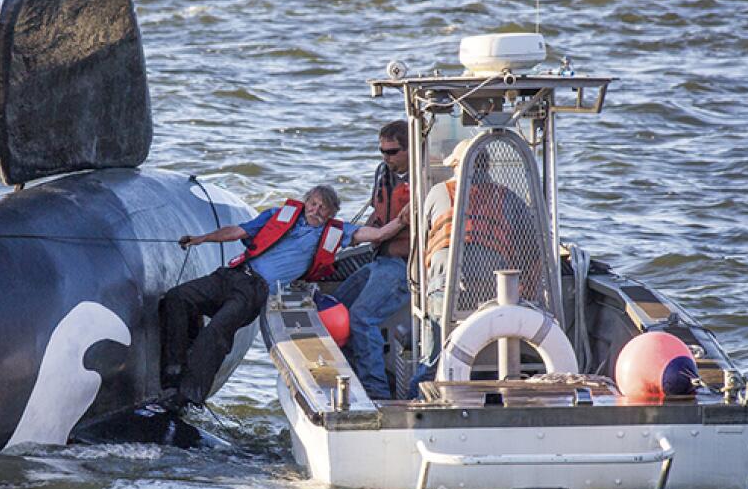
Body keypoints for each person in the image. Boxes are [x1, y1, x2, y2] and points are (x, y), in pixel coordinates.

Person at [161, 184, 408, 407]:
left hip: (257, 291)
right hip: (233, 274)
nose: (316, 210)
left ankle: (189, 396)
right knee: (177, 298)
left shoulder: (336, 233)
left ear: (331, 214)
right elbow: (238, 231)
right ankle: (174, 367)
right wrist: (201, 239)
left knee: (217, 331)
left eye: (324, 208)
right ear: (305, 202)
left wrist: (402, 219)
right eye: (313, 203)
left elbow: (377, 235)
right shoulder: (277, 216)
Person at [411, 140, 534, 395]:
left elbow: (421, 246)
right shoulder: (508, 197)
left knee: (432, 361)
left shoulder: (437, 193)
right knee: (494, 356)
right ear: (487, 166)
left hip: (443, 290)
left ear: (457, 165)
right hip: (494, 293)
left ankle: (417, 400)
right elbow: (532, 252)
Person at [331, 120, 412, 399]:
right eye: (382, 152)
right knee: (333, 308)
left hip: (404, 266)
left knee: (362, 318)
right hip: (379, 260)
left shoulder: (424, 182)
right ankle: (351, 376)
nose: (386, 158)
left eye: (392, 152)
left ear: (411, 148)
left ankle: (376, 393)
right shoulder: (385, 175)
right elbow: (377, 215)